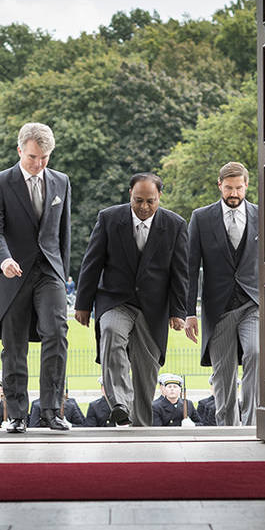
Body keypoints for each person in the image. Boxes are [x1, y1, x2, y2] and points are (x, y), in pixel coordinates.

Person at [74, 173, 189, 427]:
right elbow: (91, 263)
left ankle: (141, 430)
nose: (144, 207)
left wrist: (178, 311)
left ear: (159, 196)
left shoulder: (175, 225)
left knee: (146, 376)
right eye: (138, 200)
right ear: (130, 195)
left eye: (150, 201)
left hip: (154, 308)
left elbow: (180, 272)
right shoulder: (109, 219)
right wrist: (83, 303)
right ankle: (119, 404)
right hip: (115, 299)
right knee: (111, 332)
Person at [0, 123, 71, 433]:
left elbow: (63, 236)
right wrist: (3, 259)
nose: (39, 164)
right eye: (33, 157)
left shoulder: (61, 182)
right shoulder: (0, 183)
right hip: (13, 272)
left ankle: (51, 411)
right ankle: (17, 414)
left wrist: (62, 271)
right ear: (20, 150)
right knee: (14, 344)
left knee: (57, 334)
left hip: (49, 271)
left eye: (45, 157)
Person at [185, 161, 259, 427]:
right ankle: (228, 430)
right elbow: (190, 268)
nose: (234, 193)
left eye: (239, 187)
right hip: (218, 309)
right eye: (228, 188)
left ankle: (252, 424)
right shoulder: (201, 218)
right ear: (220, 186)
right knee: (223, 374)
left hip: (253, 303)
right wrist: (189, 314)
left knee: (256, 353)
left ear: (247, 185)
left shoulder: (262, 215)